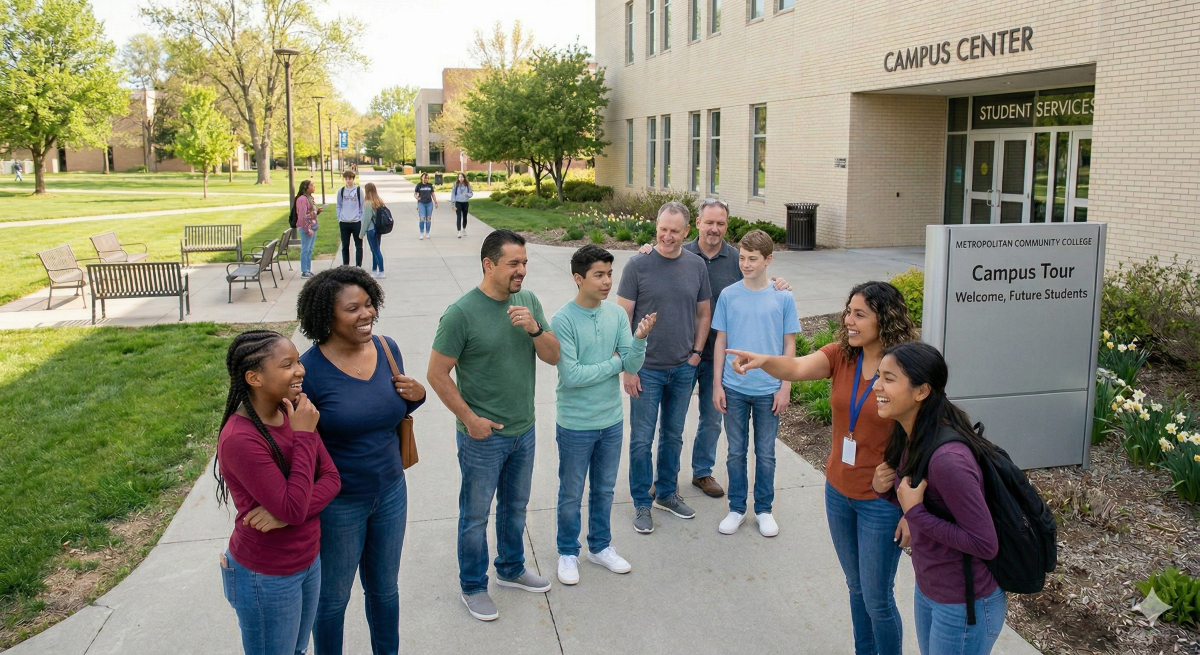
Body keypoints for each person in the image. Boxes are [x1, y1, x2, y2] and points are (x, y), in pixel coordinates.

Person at [727, 281, 918, 655]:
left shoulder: (906, 369)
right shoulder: (842, 355)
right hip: (838, 490)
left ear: (885, 319)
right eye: (848, 311)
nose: (849, 320)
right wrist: (764, 360)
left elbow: (924, 436)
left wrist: (911, 504)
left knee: (878, 598)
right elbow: (797, 367)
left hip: (881, 501)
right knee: (856, 587)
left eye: (859, 314)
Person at [427, 229, 561, 622]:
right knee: (475, 515)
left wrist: (534, 329)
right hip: (483, 436)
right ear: (489, 264)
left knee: (516, 507)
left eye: (524, 263)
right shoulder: (461, 313)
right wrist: (470, 420)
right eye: (513, 264)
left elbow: (553, 357)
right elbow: (437, 374)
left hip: (524, 429)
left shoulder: (528, 301)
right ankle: (472, 585)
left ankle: (511, 569)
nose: (521, 271)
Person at [296, 267, 427, 655]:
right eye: (352, 308)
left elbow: (392, 407)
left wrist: (417, 395)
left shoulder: (388, 349)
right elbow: (295, 443)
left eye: (369, 304)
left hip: (390, 492)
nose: (366, 313)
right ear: (327, 317)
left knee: (385, 590)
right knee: (332, 599)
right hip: (339, 503)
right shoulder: (309, 371)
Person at [636, 198, 789, 500]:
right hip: (680, 355)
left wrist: (779, 283)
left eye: (720, 223)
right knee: (671, 423)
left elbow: (758, 280)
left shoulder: (736, 258)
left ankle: (702, 472)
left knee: (711, 417)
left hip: (720, 356)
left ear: (726, 226)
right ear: (697, 224)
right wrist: (647, 251)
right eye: (709, 222)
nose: (714, 229)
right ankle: (663, 478)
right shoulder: (679, 251)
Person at [871, 342, 1004, 655]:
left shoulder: (949, 460)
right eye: (879, 376)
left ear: (921, 391)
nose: (877, 386)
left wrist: (914, 513)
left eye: (889, 379)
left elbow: (985, 543)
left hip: (964, 605)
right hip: (931, 588)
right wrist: (886, 490)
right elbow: (927, 505)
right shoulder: (911, 435)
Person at [214, 329, 342, 655]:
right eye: (287, 364)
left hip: (307, 558)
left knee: (297, 650)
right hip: (265, 574)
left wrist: (287, 514)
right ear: (254, 377)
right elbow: (295, 505)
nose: (300, 370)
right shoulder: (241, 438)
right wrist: (303, 436)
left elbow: (331, 478)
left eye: (298, 361)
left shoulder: (290, 410)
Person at [552, 245, 656, 586]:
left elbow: (631, 363)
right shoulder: (562, 320)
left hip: (611, 420)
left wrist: (638, 340)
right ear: (578, 278)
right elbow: (573, 376)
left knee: (605, 490)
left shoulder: (615, 316)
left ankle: (600, 546)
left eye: (610, 274)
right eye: (599, 275)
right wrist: (615, 362)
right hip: (576, 424)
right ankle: (568, 551)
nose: (607, 281)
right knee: (571, 492)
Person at [617, 201, 712, 534]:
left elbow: (703, 313)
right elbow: (621, 319)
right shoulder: (637, 266)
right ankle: (643, 501)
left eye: (675, 231)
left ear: (687, 231)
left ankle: (667, 493)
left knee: (673, 436)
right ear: (656, 227)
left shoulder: (696, 266)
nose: (668, 236)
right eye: (663, 229)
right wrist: (628, 367)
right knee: (642, 440)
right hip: (646, 370)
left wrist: (697, 353)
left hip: (684, 367)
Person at [711, 230, 798, 537]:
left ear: (768, 260)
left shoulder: (783, 297)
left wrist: (784, 385)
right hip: (734, 389)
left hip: (768, 390)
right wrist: (717, 385)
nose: (745, 264)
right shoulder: (729, 295)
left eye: (753, 259)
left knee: (766, 453)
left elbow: (789, 346)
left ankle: (763, 510)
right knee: (735, 452)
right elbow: (720, 341)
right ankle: (736, 508)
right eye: (742, 258)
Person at [335, 170, 364, 266]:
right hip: (344, 222)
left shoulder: (358, 190)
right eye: (346, 179)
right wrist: (339, 218)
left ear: (353, 179)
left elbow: (362, 206)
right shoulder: (341, 191)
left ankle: (358, 266)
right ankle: (346, 265)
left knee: (358, 246)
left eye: (350, 179)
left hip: (356, 222)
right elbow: (338, 205)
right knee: (345, 246)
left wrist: (360, 218)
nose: (348, 181)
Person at [295, 180, 323, 278]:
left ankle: (308, 270)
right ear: (305, 187)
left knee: (309, 250)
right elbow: (302, 216)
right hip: (307, 228)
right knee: (305, 249)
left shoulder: (309, 198)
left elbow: (309, 213)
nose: (314, 186)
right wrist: (308, 229)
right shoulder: (302, 199)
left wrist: (317, 212)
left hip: (313, 227)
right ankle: (304, 271)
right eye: (311, 185)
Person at [361, 183, 387, 279]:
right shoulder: (379, 201)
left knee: (375, 250)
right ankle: (374, 269)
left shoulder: (368, 203)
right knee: (375, 250)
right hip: (378, 229)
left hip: (371, 230)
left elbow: (366, 220)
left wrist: (361, 233)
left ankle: (381, 271)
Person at [414, 173, 438, 240]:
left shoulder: (430, 186)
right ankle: (421, 233)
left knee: (428, 218)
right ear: (422, 178)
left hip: (429, 203)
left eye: (427, 178)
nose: (426, 179)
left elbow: (433, 194)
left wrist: (435, 202)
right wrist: (417, 197)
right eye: (425, 178)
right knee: (422, 218)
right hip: (421, 203)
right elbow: (415, 193)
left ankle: (427, 233)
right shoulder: (419, 185)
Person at [450, 172, 473, 238]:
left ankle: (464, 229)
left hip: (465, 202)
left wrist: (466, 194)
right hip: (458, 203)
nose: (461, 178)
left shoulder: (467, 185)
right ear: (458, 178)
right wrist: (452, 205)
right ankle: (459, 231)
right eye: (459, 177)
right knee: (459, 217)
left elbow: (471, 194)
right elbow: (453, 194)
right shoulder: (456, 184)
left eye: (462, 177)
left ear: (464, 178)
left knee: (465, 217)